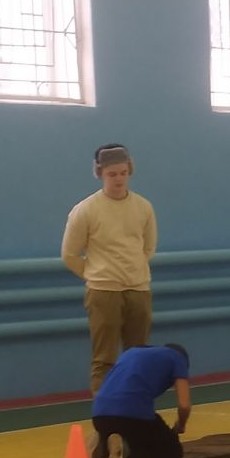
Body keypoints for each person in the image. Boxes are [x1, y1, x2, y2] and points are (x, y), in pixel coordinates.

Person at [62, 143, 159, 396]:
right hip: (103, 291)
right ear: (100, 174)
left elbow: (148, 248)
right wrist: (96, 275)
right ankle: (105, 411)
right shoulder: (86, 209)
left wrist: (133, 270)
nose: (118, 179)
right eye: (112, 174)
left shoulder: (144, 207)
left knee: (138, 356)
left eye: (123, 173)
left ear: (130, 171)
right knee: (104, 358)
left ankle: (136, 406)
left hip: (138, 289)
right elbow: (69, 255)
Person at [89, 344, 191, 458]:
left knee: (133, 429)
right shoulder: (178, 359)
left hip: (99, 415)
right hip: (131, 415)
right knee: (172, 452)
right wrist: (180, 425)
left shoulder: (130, 353)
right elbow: (184, 406)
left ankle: (104, 445)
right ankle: (128, 455)